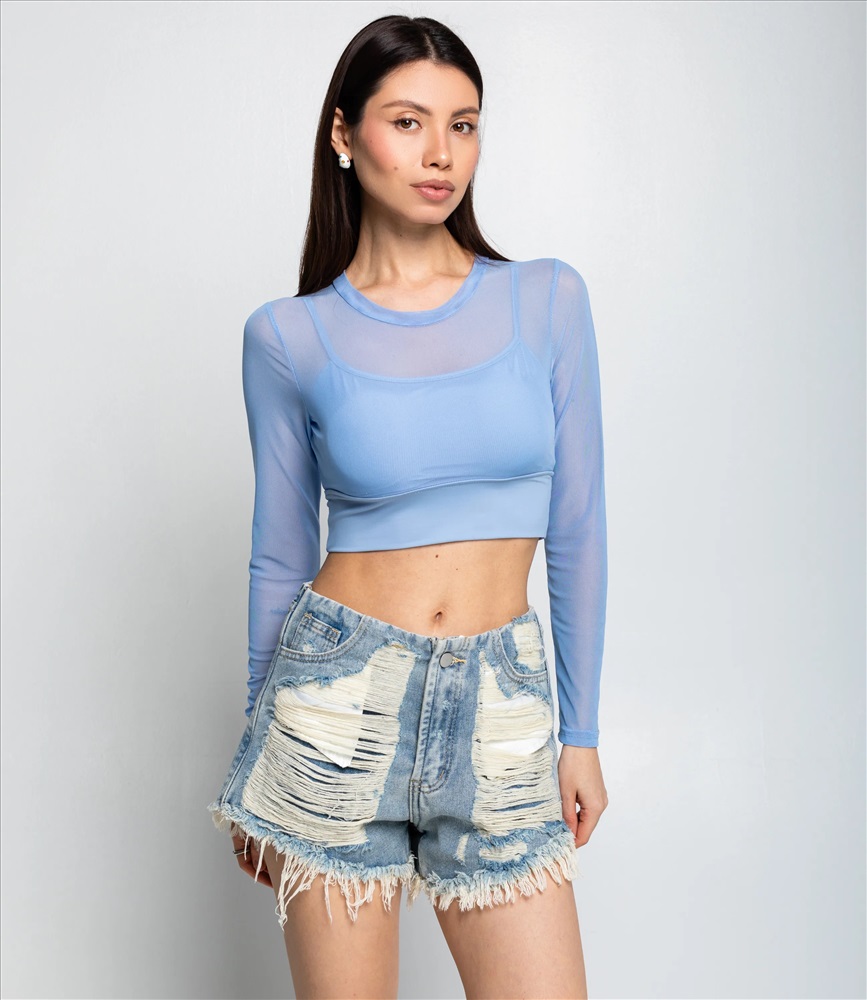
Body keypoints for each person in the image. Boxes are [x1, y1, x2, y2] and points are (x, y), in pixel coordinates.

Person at [207, 13, 609, 999]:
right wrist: (262, 750)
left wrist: (581, 731)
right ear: (344, 134)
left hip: (504, 706)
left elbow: (579, 527)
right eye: (408, 121)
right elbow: (278, 555)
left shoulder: (547, 300)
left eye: (463, 125)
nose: (441, 153)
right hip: (331, 709)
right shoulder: (288, 337)